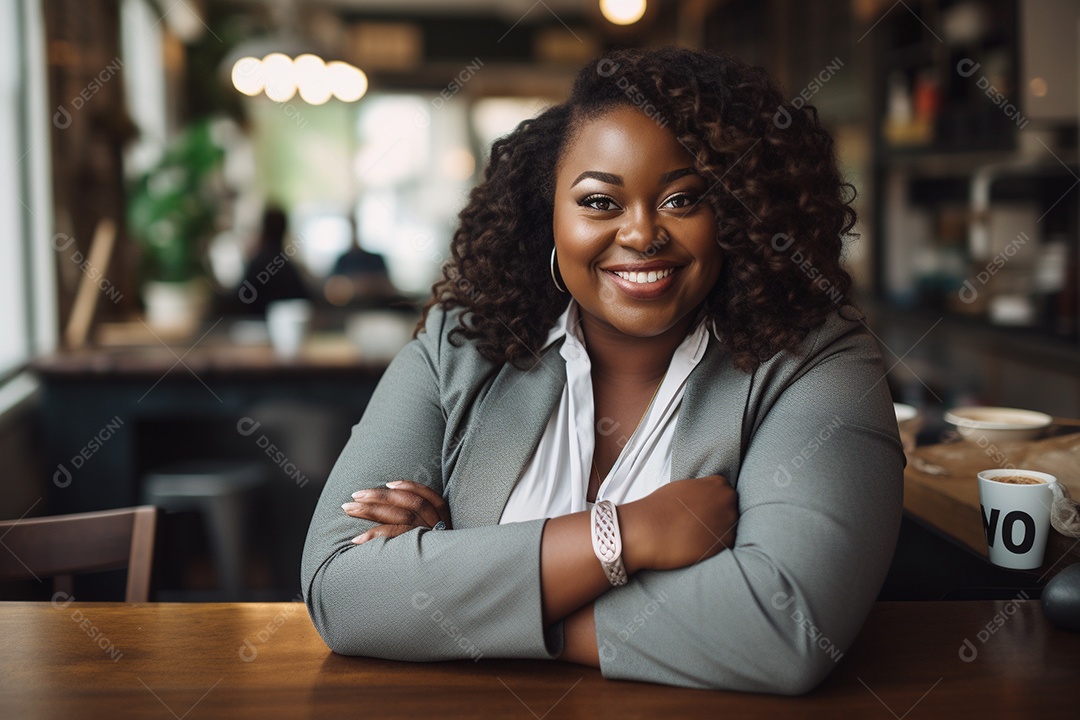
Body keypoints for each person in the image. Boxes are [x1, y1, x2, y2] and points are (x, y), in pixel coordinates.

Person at [301, 47, 904, 694]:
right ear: (549, 216)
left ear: (734, 213)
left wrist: (468, 598)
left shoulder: (819, 360)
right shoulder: (461, 346)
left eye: (682, 199)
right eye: (598, 202)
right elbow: (342, 590)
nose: (642, 234)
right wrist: (623, 537)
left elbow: (785, 630)